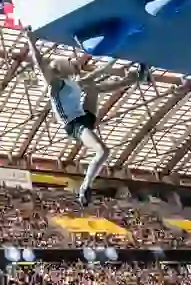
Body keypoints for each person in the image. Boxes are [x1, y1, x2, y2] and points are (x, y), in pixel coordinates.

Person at [24, 27, 150, 205]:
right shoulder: (54, 84)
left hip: (85, 116)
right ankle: (85, 187)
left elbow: (99, 73)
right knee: (103, 151)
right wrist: (30, 39)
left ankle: (138, 78)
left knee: (94, 86)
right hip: (74, 125)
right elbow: (39, 63)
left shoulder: (74, 82)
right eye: (69, 61)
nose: (73, 62)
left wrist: (116, 52)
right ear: (58, 67)